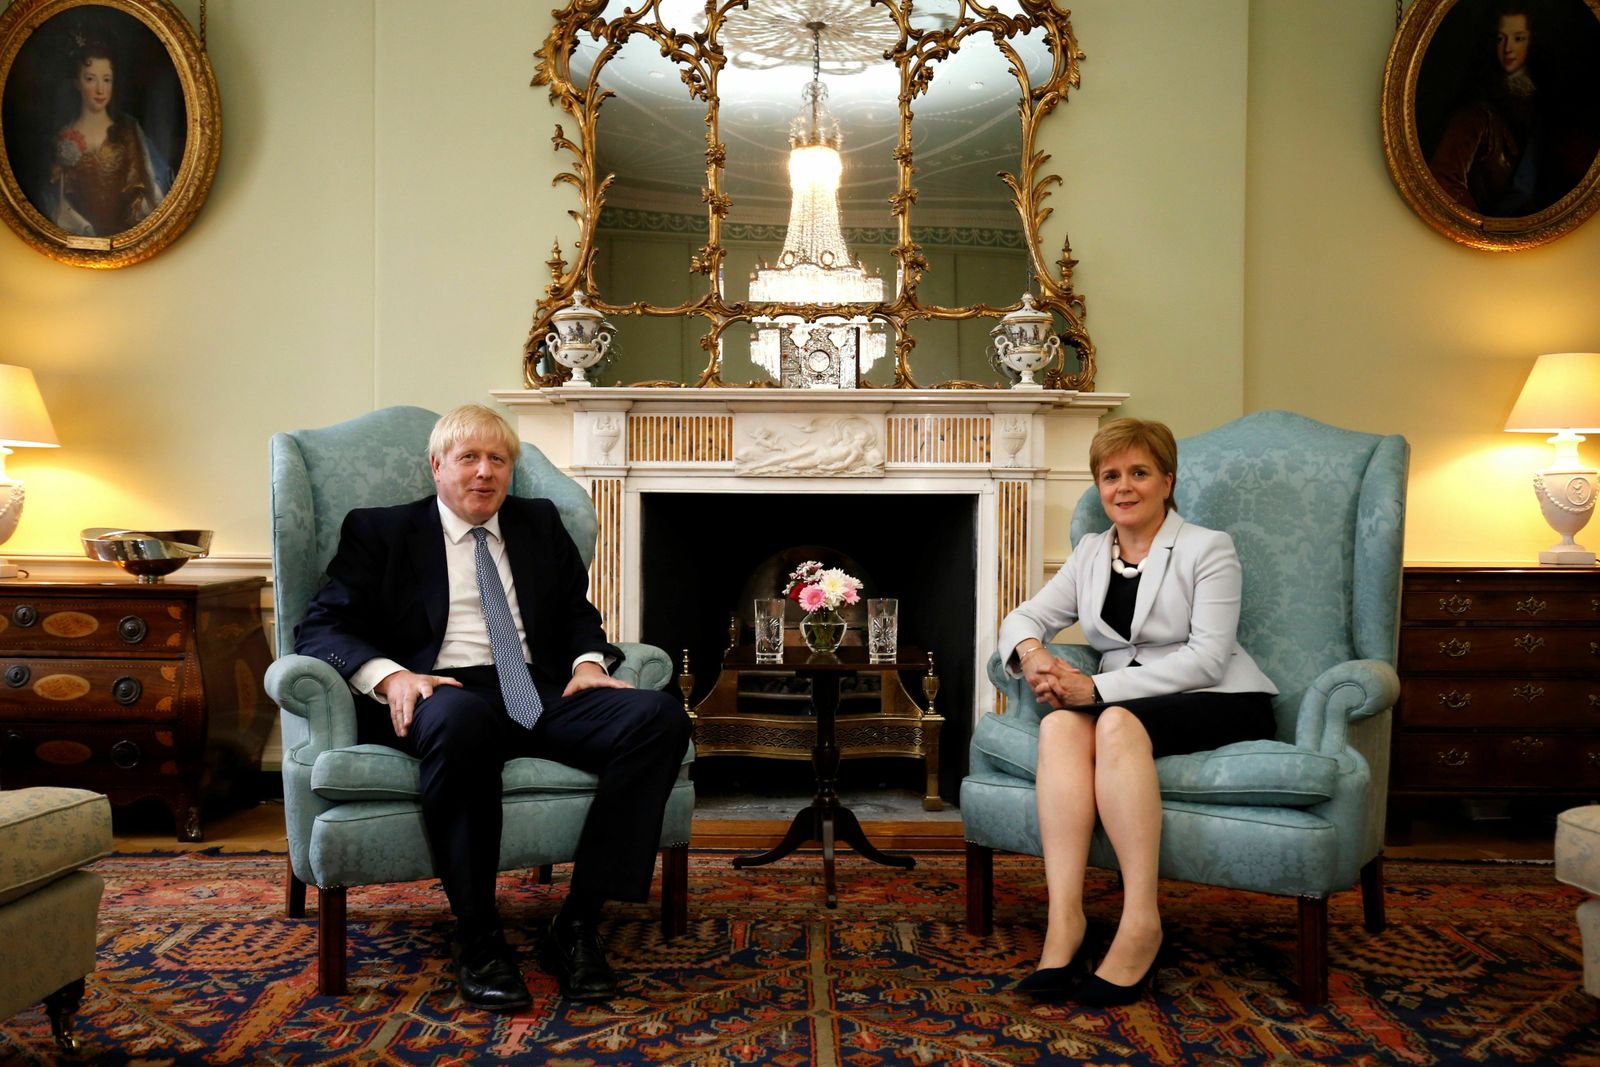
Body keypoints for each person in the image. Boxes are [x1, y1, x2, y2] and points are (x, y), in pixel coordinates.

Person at [295, 404, 692, 1011]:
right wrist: (392, 677)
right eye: (469, 458)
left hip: (537, 689)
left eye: (498, 459)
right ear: (437, 466)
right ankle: (479, 934)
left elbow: (574, 615)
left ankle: (579, 921)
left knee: (657, 716)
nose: (485, 473)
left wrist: (588, 664)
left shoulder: (538, 523)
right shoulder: (381, 531)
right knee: (463, 720)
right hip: (441, 692)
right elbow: (322, 624)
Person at [995, 418, 1278, 1006]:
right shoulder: (1091, 553)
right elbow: (1023, 617)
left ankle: (1141, 922)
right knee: (1060, 727)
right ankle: (1065, 919)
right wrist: (1035, 654)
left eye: (1139, 473)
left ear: (1167, 481)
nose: (1124, 487)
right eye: (1110, 475)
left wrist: (1096, 690)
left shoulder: (1208, 547)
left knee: (1113, 719)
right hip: (1133, 697)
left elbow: (1207, 659)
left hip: (1222, 699)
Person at [1427, 3, 1598, 217]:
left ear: (1531, 42)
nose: (1508, 48)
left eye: (1518, 38)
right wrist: (1484, 226)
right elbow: (1444, 178)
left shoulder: (1546, 100)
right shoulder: (1478, 112)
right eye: (1501, 38)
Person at [42, 41, 172, 236]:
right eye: (90, 79)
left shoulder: (128, 130)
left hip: (129, 239)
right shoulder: (63, 137)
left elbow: (151, 187)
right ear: (77, 83)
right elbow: (54, 202)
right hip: (78, 241)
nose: (100, 89)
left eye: (107, 80)